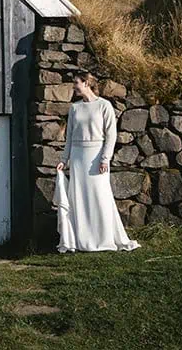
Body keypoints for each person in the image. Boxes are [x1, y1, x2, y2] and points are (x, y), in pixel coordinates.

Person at [55, 70, 139, 252]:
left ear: (85, 83)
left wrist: (105, 158)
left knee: (99, 196)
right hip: (77, 158)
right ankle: (80, 240)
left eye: (76, 82)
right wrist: (64, 159)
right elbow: (69, 137)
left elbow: (111, 134)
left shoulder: (104, 105)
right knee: (79, 198)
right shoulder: (74, 108)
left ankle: (103, 238)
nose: (73, 86)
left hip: (96, 157)